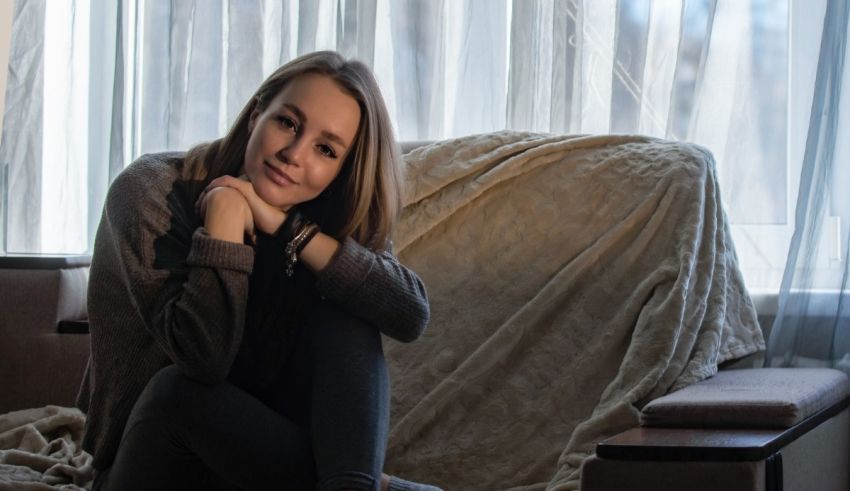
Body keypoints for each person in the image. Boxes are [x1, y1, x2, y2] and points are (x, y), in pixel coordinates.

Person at [76, 51, 441, 491]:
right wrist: (225, 220)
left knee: (348, 315)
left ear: (340, 170)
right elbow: (203, 361)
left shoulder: (325, 217)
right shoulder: (151, 190)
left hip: (258, 467)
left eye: (325, 149)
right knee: (177, 392)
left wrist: (287, 228)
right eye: (287, 122)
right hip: (153, 460)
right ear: (256, 114)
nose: (293, 154)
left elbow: (408, 312)